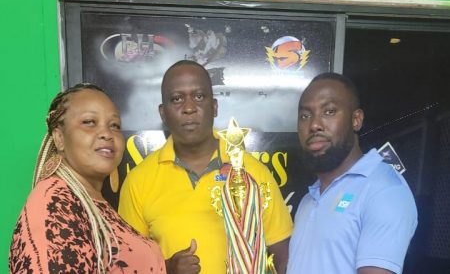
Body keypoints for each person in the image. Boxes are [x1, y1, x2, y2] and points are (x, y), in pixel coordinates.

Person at [119, 60, 293, 274]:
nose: (189, 108)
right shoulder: (138, 181)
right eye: (177, 99)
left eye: (199, 96)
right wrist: (166, 269)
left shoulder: (253, 173)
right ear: (163, 113)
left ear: (215, 106)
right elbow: (128, 266)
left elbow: (283, 259)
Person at [9, 83, 166, 274]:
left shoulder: (91, 203)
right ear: (59, 138)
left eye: (114, 125)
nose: (106, 134)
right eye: (89, 122)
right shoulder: (55, 203)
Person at [287, 72, 418, 274]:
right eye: (305, 116)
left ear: (356, 120)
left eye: (329, 111)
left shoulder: (383, 190)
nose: (314, 124)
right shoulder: (309, 199)